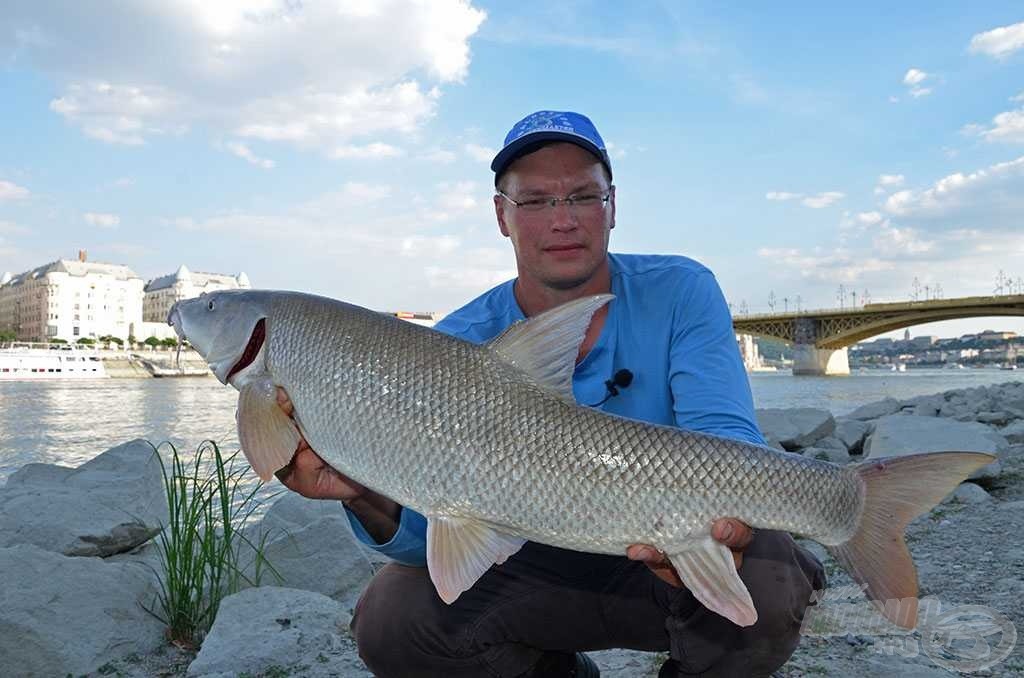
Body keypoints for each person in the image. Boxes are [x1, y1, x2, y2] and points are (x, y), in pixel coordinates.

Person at [273, 110, 826, 677]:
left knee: (769, 574)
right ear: (501, 216)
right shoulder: (456, 345)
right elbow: (429, 538)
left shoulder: (682, 288)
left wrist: (710, 528)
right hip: (529, 561)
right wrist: (362, 492)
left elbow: (725, 434)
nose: (563, 221)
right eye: (535, 201)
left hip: (663, 547)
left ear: (612, 207)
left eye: (583, 196)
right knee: (393, 618)